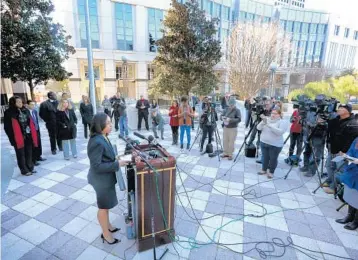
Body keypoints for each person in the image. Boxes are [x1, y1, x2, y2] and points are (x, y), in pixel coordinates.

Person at [87, 113, 129, 244]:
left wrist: (118, 158)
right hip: (100, 181)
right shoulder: (96, 142)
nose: (111, 126)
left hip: (106, 179)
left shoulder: (103, 136)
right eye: (109, 123)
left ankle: (108, 226)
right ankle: (105, 234)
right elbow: (96, 166)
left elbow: (106, 156)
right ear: (101, 125)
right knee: (103, 207)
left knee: (106, 205)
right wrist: (117, 164)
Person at [323, 104, 358, 194]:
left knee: (338, 170)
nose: (339, 110)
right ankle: (330, 181)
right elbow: (330, 132)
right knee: (329, 166)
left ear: (348, 111)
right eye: (339, 108)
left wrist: (344, 151)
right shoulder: (336, 120)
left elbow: (351, 140)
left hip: (342, 152)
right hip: (333, 149)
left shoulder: (353, 123)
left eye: (342, 108)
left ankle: (334, 188)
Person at [4, 96, 38, 176]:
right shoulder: (8, 112)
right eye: (18, 102)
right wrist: (12, 138)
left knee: (29, 152)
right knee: (21, 154)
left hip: (28, 135)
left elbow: (30, 122)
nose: (20, 103)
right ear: (13, 103)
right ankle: (24, 170)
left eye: (21, 101)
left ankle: (30, 167)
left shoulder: (25, 110)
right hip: (17, 137)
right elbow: (7, 128)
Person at [257, 109, 288, 178]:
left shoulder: (282, 122)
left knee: (273, 159)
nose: (273, 115)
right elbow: (258, 128)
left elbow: (279, 132)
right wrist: (263, 122)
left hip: (275, 145)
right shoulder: (266, 119)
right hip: (264, 142)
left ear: (280, 115)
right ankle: (264, 169)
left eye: (276, 113)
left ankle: (271, 172)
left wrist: (268, 125)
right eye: (272, 113)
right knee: (265, 157)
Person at [335, 137, 358, 230]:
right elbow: (351, 151)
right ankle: (350, 216)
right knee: (351, 195)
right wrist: (346, 156)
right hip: (353, 172)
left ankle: (356, 221)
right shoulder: (357, 139)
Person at [27, 100, 46, 165]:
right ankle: (34, 159)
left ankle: (38, 156)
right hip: (31, 131)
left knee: (38, 143)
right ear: (28, 105)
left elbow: (36, 121)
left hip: (37, 129)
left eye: (34, 104)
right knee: (33, 145)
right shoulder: (26, 112)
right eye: (31, 104)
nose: (33, 106)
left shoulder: (34, 111)